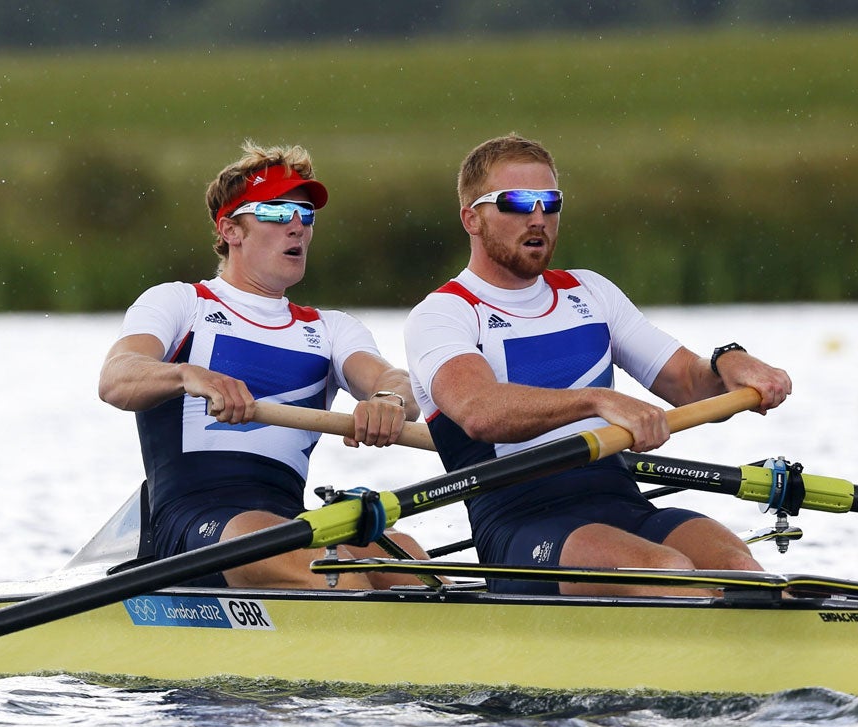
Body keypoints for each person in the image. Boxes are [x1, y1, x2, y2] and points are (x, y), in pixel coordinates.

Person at [404, 133, 792, 596]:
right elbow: (479, 411)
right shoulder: (443, 314)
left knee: (745, 575)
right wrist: (598, 400)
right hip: (521, 526)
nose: (538, 217)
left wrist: (732, 361)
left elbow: (690, 384)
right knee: (665, 571)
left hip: (623, 503)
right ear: (472, 218)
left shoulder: (590, 292)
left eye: (550, 202)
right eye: (516, 202)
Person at [100, 140, 432, 590]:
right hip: (193, 525)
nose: (297, 228)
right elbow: (117, 377)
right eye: (277, 213)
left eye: (305, 216)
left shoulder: (330, 329)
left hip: (290, 523)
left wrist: (389, 401)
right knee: (340, 575)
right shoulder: (182, 303)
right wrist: (186, 374)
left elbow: (396, 380)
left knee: (409, 561)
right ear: (230, 230)